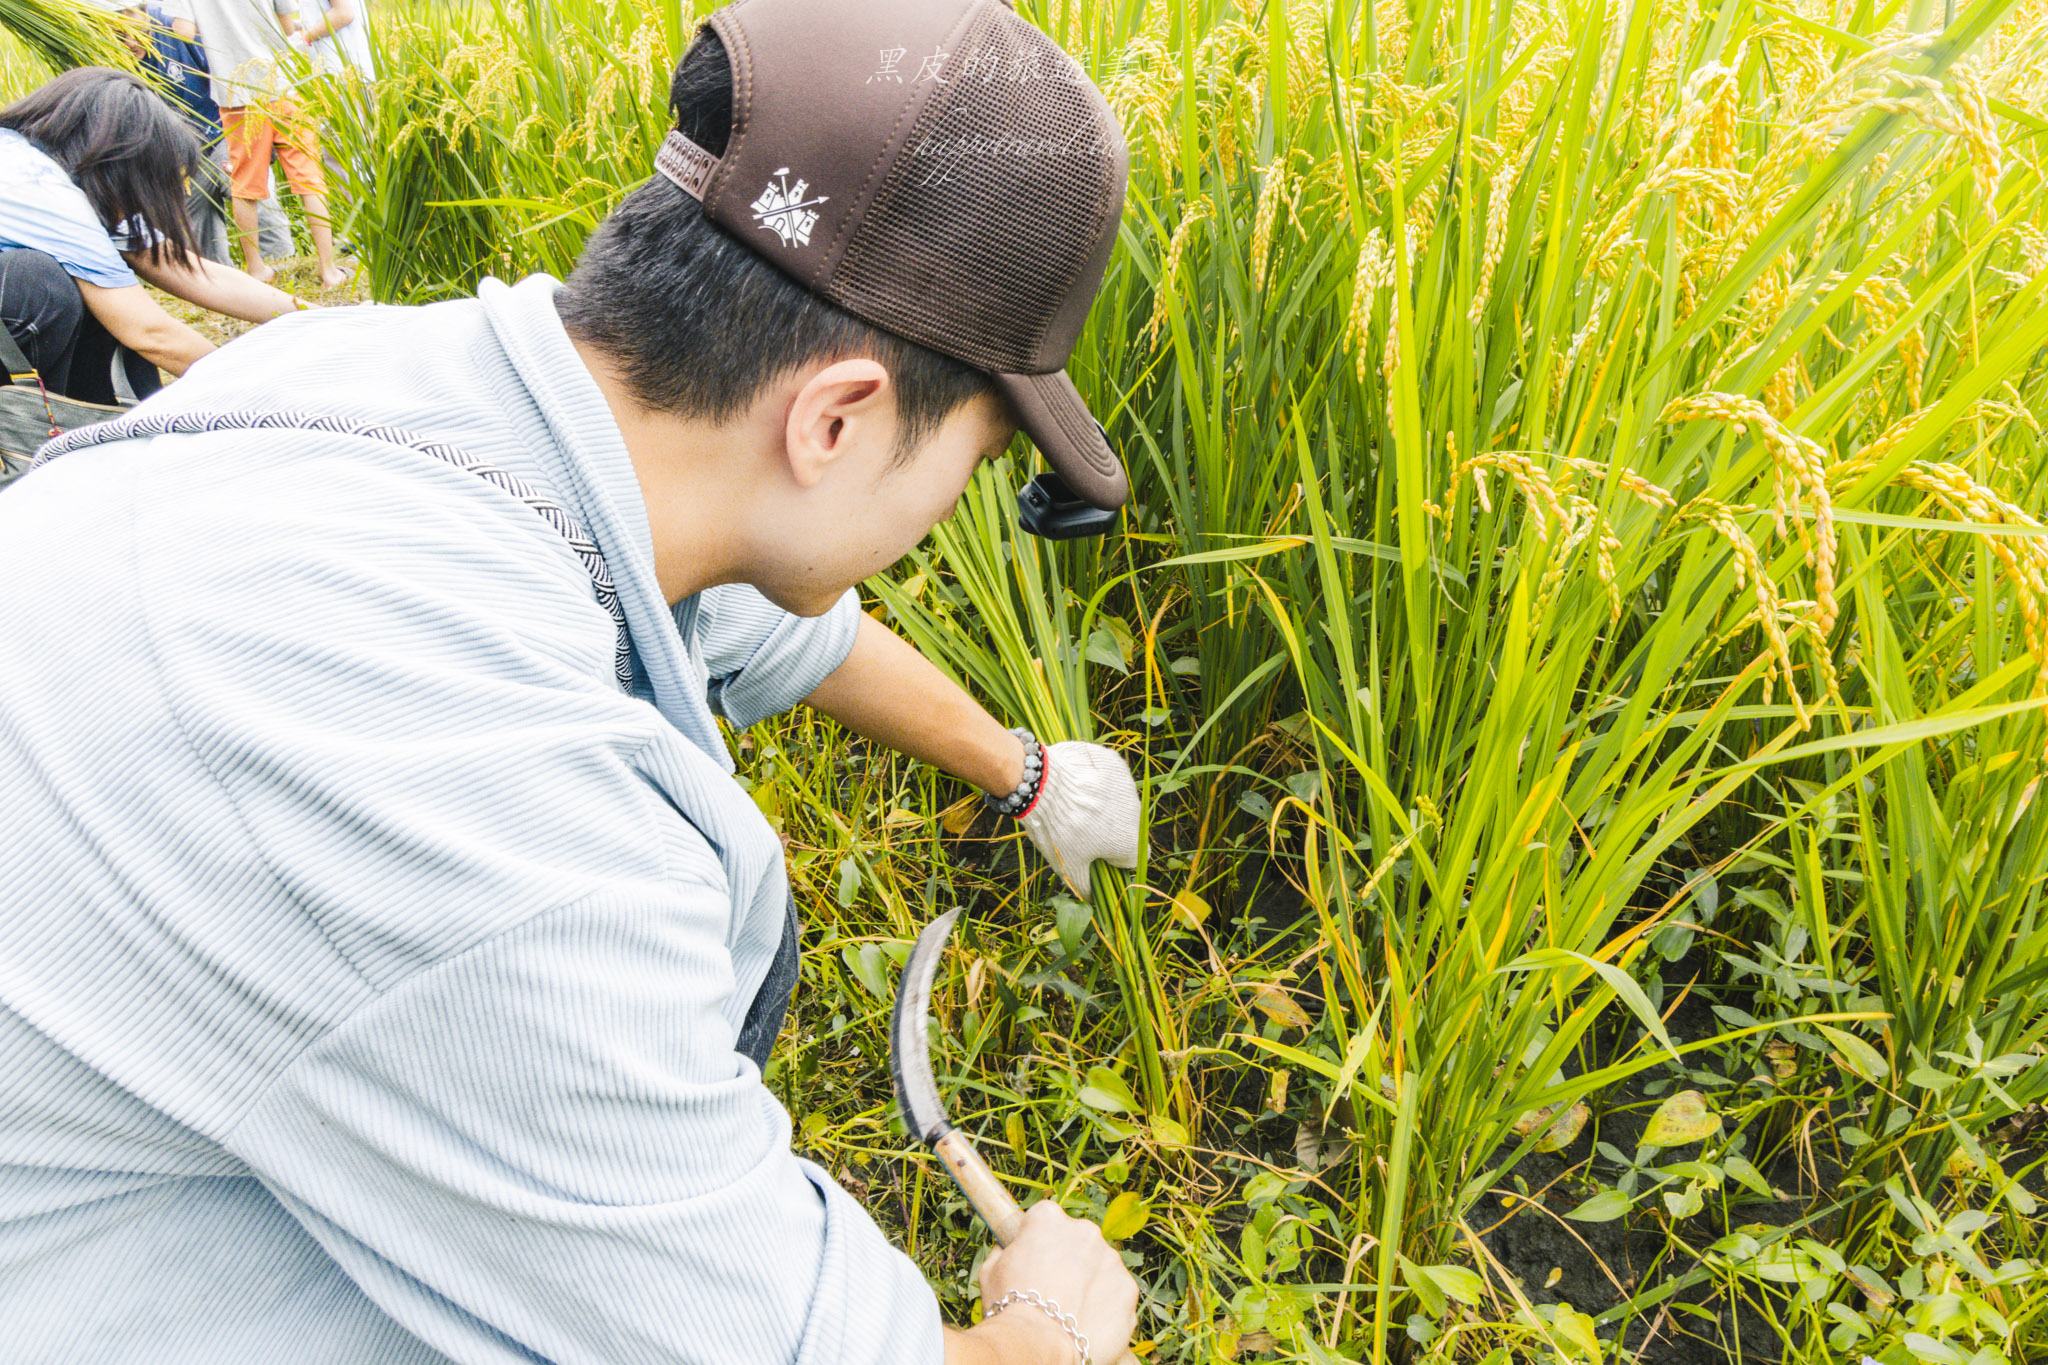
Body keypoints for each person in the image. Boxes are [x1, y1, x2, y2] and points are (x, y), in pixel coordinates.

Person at [1, 0, 1142, 1360]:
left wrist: (1026, 774)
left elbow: (770, 629)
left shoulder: (392, 377)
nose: (956, 503)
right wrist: (1044, 1329)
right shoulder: (472, 800)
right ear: (836, 420)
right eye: (980, 458)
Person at [0, 67, 307, 405]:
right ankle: (37, 423)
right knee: (40, 284)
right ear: (115, 160)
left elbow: (185, 269)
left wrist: (314, 316)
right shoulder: (37, 187)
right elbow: (150, 333)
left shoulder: (60, 175)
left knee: (103, 296)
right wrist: (265, 393)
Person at [163, 0, 348, 286]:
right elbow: (288, 24)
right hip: (286, 85)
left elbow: (182, 32)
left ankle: (257, 269)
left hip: (237, 95)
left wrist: (217, 31)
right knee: (308, 179)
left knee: (245, 185)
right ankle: (328, 270)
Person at [116, 1, 295, 266]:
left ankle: (284, 267)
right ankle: (223, 280)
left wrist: (259, 143)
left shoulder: (175, 28)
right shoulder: (112, 60)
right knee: (198, 236)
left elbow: (227, 73)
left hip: (224, 132)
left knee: (257, 201)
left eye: (134, 31)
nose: (130, 42)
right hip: (179, 157)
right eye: (120, 35)